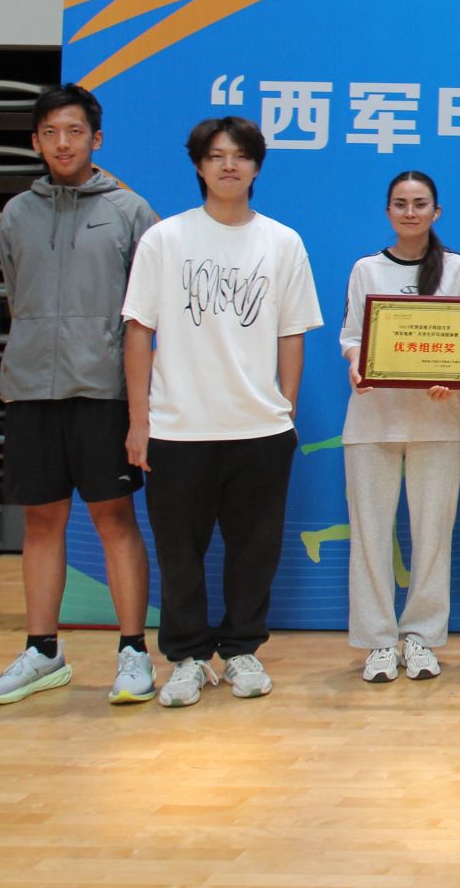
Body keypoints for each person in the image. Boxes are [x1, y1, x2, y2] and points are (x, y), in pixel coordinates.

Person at [121, 117, 322, 708]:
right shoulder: (165, 239)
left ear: (257, 166)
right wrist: (139, 420)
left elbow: (291, 332)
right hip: (178, 426)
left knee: (254, 549)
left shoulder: (282, 242)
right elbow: (139, 330)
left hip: (259, 428)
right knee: (179, 552)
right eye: (215, 156)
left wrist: (285, 408)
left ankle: (240, 650)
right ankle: (186, 658)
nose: (228, 165)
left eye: (239, 156)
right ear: (199, 166)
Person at [0, 85, 159, 706]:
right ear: (35, 141)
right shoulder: (16, 214)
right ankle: (42, 652)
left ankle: (133, 651)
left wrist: (138, 405)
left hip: (103, 391)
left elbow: (147, 311)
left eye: (75, 132)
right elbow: (17, 291)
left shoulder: (130, 211)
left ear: (96, 139)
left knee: (114, 518)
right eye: (51, 132)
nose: (63, 143)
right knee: (41, 520)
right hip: (31, 390)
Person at [338, 170, 460, 684]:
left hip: (438, 421)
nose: (410, 212)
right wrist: (356, 364)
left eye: (420, 204)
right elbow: (352, 335)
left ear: (436, 212)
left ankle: (420, 636)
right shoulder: (366, 269)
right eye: (401, 203)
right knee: (370, 534)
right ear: (388, 211)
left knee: (433, 536)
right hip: (372, 419)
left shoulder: (457, 268)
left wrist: (454, 376)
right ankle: (377, 641)